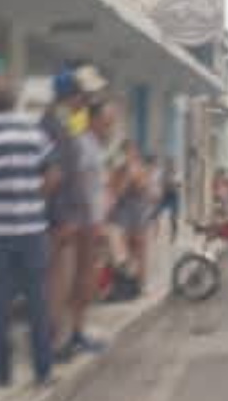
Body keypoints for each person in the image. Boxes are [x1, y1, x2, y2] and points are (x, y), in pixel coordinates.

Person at [0, 76, 57, 388]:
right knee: (37, 300)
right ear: (17, 99)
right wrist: (34, 198)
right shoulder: (36, 131)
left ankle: (2, 372)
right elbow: (53, 173)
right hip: (33, 228)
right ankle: (43, 371)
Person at [42, 64, 105, 358]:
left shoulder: (67, 124)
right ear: (72, 95)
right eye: (82, 94)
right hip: (63, 219)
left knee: (69, 280)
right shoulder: (55, 126)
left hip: (74, 217)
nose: (85, 100)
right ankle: (56, 342)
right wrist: (63, 216)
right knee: (59, 282)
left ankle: (67, 337)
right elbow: (56, 176)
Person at [56, 99, 116, 361]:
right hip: (83, 224)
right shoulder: (82, 145)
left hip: (92, 223)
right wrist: (88, 220)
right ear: (92, 120)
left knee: (87, 281)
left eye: (111, 125)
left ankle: (78, 332)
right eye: (106, 123)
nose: (110, 129)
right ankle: (67, 336)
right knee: (77, 280)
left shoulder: (95, 148)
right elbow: (77, 184)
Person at [108, 146, 154, 294]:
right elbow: (117, 191)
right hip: (123, 213)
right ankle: (129, 283)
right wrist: (127, 176)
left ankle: (141, 284)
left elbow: (145, 189)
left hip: (138, 212)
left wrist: (136, 176)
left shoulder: (141, 169)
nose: (130, 158)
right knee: (125, 248)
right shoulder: (117, 171)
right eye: (127, 155)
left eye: (132, 155)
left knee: (140, 249)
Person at [150, 156, 181, 242]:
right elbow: (159, 182)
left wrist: (171, 184)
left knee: (173, 217)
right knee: (155, 214)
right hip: (165, 195)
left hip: (174, 196)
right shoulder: (163, 173)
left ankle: (173, 235)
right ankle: (154, 234)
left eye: (171, 164)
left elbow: (178, 185)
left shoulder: (177, 173)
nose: (170, 166)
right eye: (168, 164)